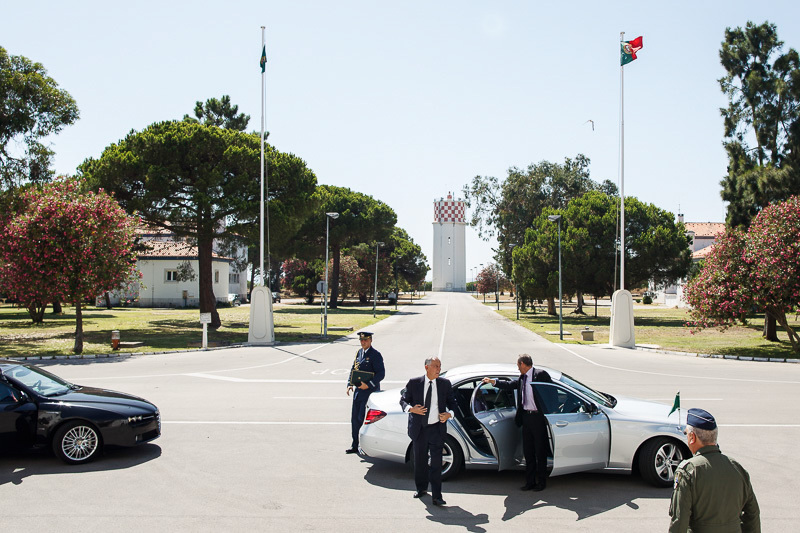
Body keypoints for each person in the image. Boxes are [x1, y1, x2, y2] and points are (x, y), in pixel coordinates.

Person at [669, 408, 760, 533]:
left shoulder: (688, 471)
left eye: (686, 434)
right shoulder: (737, 468)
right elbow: (752, 513)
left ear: (692, 437)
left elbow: (679, 521)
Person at [482, 353, 552, 491]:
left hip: (538, 418)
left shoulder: (540, 374)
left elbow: (550, 392)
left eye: (518, 365)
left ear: (523, 364)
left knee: (540, 451)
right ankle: (530, 482)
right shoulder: (522, 378)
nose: (518, 368)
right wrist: (493, 382)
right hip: (526, 418)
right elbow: (510, 385)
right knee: (528, 451)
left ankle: (541, 482)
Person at [400, 356, 458, 506]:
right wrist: (411, 409)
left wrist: (449, 414)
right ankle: (421, 489)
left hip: (436, 429)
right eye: (436, 366)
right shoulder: (414, 383)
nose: (439, 369)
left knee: (436, 464)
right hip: (419, 430)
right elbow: (403, 400)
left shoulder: (444, 384)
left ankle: (437, 496)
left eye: (440, 366)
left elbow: (453, 404)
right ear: (427, 367)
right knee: (420, 461)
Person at [345, 331, 385, 454]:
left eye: (365, 340)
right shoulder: (359, 353)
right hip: (358, 392)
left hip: (370, 393)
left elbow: (381, 374)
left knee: (364, 420)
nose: (363, 342)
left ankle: (365, 447)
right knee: (355, 419)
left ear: (370, 340)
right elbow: (354, 369)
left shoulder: (375, 355)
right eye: (361, 340)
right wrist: (350, 384)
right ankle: (355, 444)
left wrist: (368, 385)